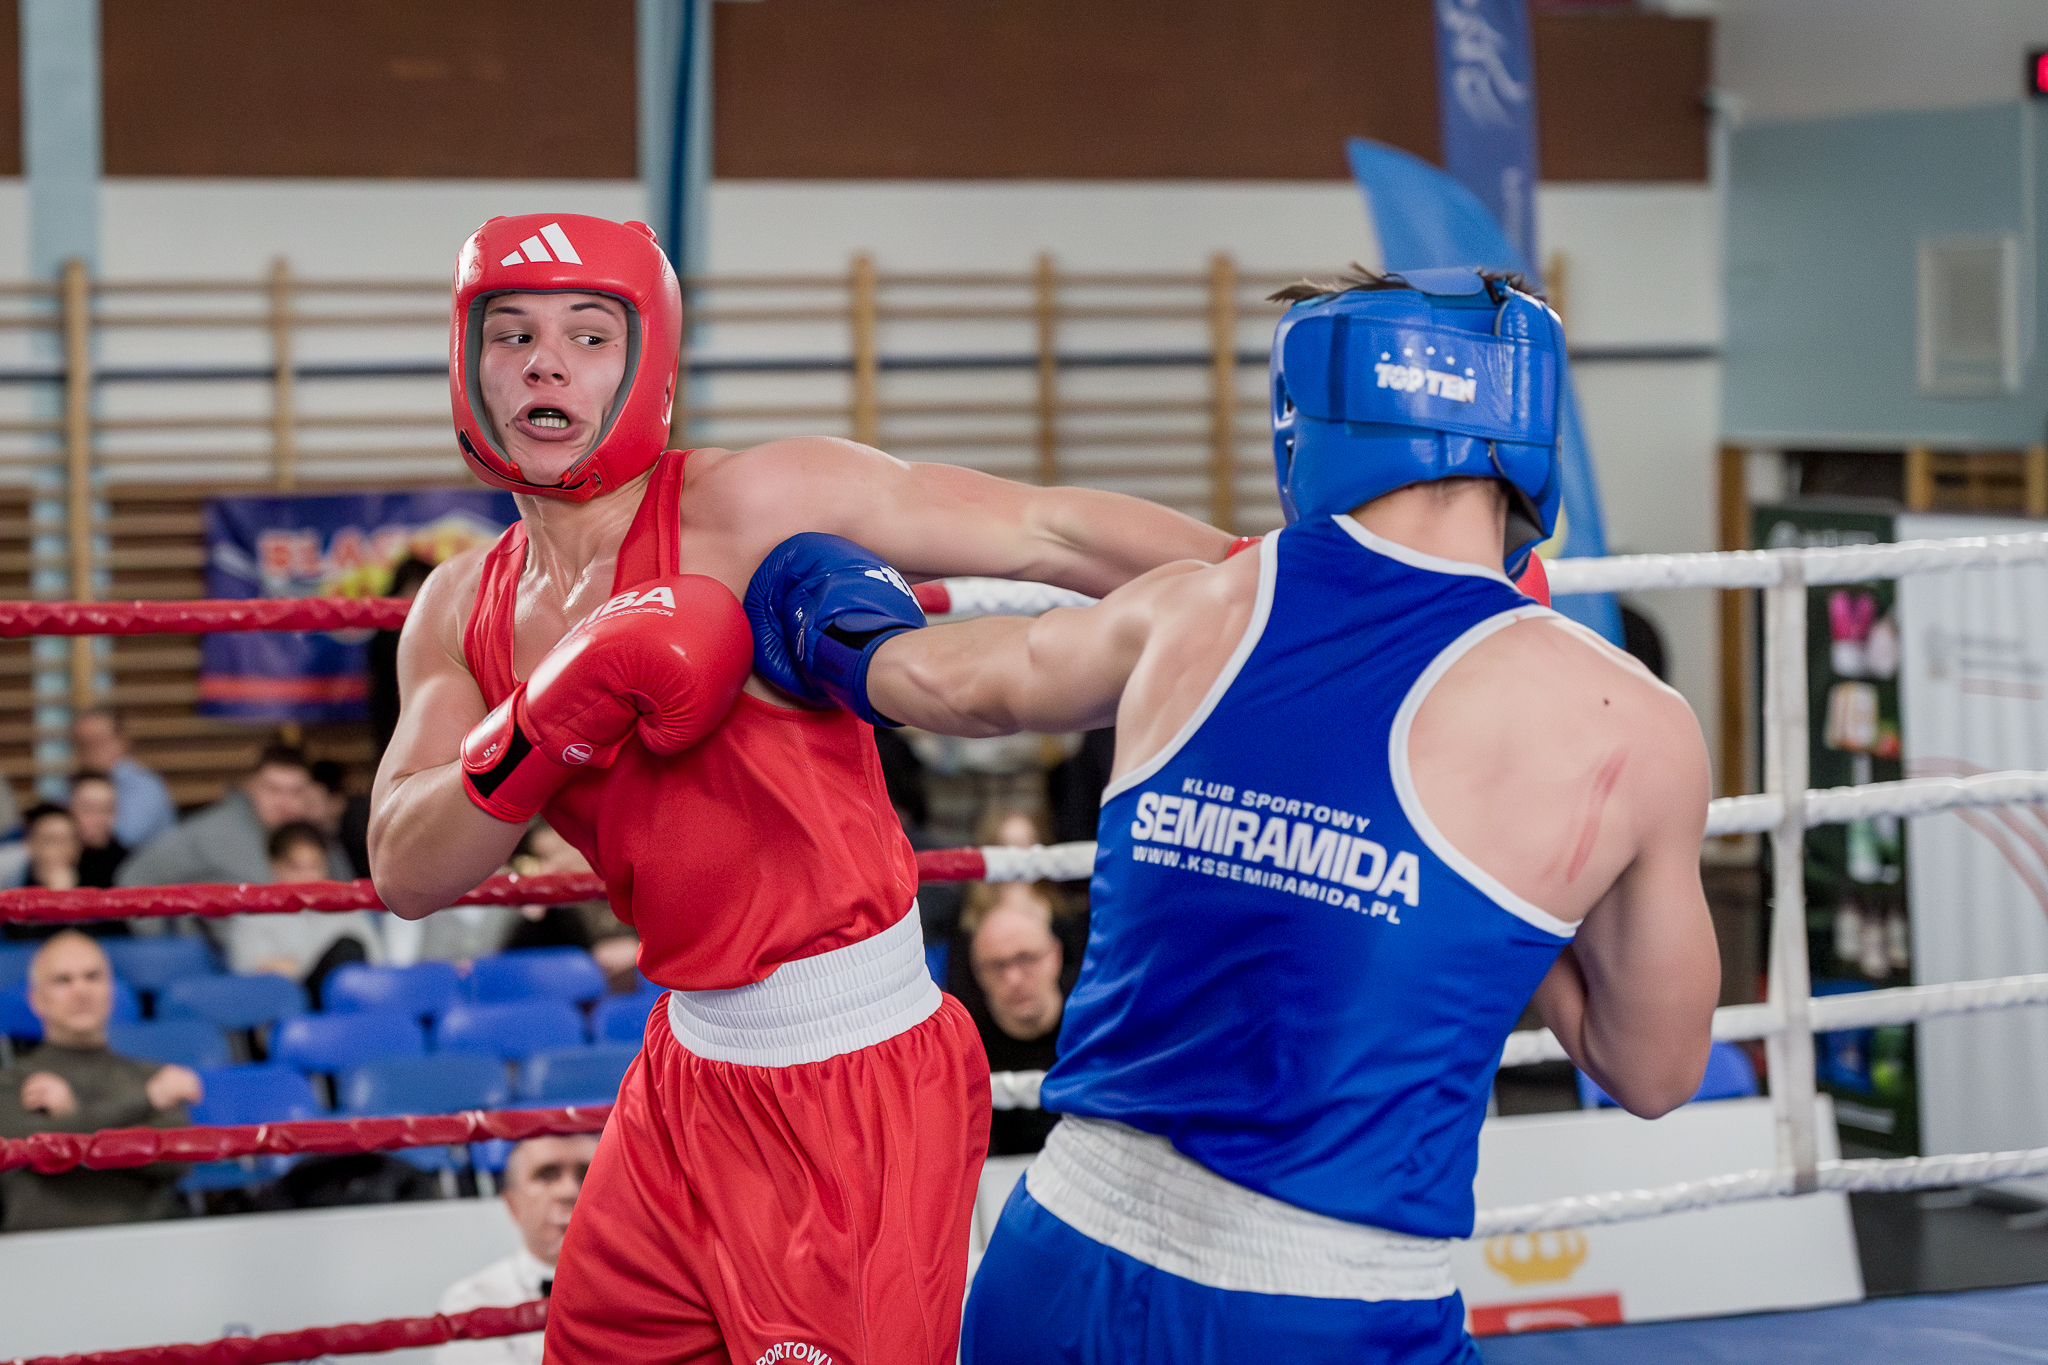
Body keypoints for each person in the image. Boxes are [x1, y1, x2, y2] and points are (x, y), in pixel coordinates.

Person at [747, 267, 1721, 1363]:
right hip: (1315, 1308)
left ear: (1311, 413)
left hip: (1052, 1254)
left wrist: (810, 607)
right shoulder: (1626, 722)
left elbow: (939, 683)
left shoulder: (1196, 603)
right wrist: (1510, 885)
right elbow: (1653, 1070)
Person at [368, 213, 1232, 1365]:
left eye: (588, 336)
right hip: (683, 1075)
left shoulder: (751, 501)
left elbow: (1048, 531)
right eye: (512, 334)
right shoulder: (456, 608)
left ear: (648, 363)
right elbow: (405, 869)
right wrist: (547, 720)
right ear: (466, 361)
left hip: (853, 1081)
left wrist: (1299, 586)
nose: (545, 365)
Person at [0, 931, 201, 1231]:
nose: (80, 990)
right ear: (36, 999)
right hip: (42, 1245)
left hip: (145, 1241)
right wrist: (146, 1100)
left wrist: (69, 1122)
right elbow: (24, 1152)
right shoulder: (12, 1082)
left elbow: (174, 1163)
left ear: (110, 989)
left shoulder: (150, 1075)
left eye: (92, 977)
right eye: (63, 980)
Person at [434, 1134, 601, 1365]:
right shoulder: (473, 1302)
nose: (569, 1192)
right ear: (513, 1205)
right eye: (547, 1175)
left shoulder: (647, 1289)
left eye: (587, 1174)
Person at [117, 743, 351, 889]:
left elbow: (346, 893)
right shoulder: (208, 832)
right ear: (251, 787)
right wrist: (179, 943)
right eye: (273, 789)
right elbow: (133, 877)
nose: (284, 802)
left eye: (296, 791)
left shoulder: (317, 838)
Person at [961, 880, 1073, 1156]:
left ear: (1054, 956)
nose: (1013, 978)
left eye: (1026, 958)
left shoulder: (1096, 1024)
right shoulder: (963, 1047)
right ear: (978, 972)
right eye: (997, 965)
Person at [226, 821, 383, 1008]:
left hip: (353, 1001)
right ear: (275, 866)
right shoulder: (253, 913)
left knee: (349, 950)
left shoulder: (347, 906)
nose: (307, 877)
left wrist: (292, 968)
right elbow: (247, 975)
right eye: (296, 867)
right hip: (289, 1005)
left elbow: (376, 963)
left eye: (314, 866)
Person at [3, 805, 128, 942]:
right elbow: (20, 945)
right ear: (31, 844)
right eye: (53, 840)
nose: (64, 848)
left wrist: (69, 900)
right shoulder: (13, 894)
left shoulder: (100, 885)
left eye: (72, 839)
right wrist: (55, 902)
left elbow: (116, 941)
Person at [71, 709, 176, 852]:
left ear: (122, 741)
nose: (89, 751)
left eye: (97, 741)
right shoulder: (75, 783)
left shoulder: (145, 786)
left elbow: (121, 837)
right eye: (82, 743)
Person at [69, 770, 129, 888]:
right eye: (89, 809)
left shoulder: (128, 864)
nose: (99, 819)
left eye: (107, 809)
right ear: (70, 808)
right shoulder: (50, 862)